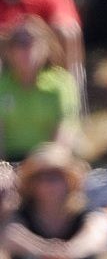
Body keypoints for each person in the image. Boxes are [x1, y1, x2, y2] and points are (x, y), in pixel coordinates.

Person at [0, 15, 81, 162]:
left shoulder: (61, 82)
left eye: (32, 42)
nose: (26, 50)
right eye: (19, 43)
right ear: (9, 51)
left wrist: (45, 165)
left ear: (46, 48)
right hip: (8, 162)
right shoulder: (2, 85)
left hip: (49, 162)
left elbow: (65, 129)